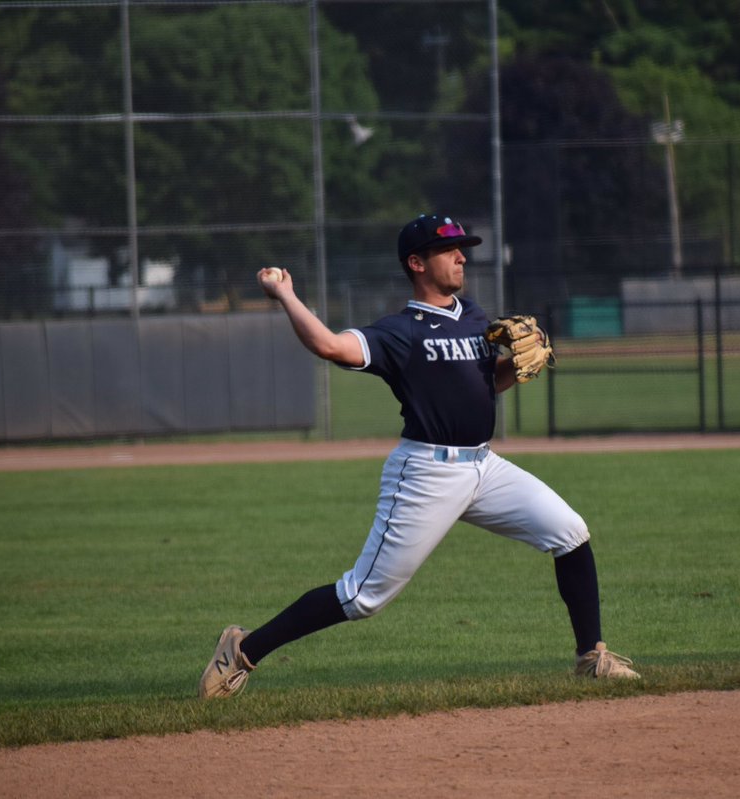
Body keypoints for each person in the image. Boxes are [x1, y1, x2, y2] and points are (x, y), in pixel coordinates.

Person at [198, 213, 638, 699]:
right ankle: (242, 650)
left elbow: (485, 384)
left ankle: (591, 657)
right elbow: (329, 346)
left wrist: (516, 367)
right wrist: (285, 295)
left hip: (483, 467)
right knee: (362, 597)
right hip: (427, 472)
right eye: (449, 250)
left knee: (570, 532)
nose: (461, 256)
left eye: (461, 248)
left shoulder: (473, 318)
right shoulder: (400, 332)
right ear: (417, 263)